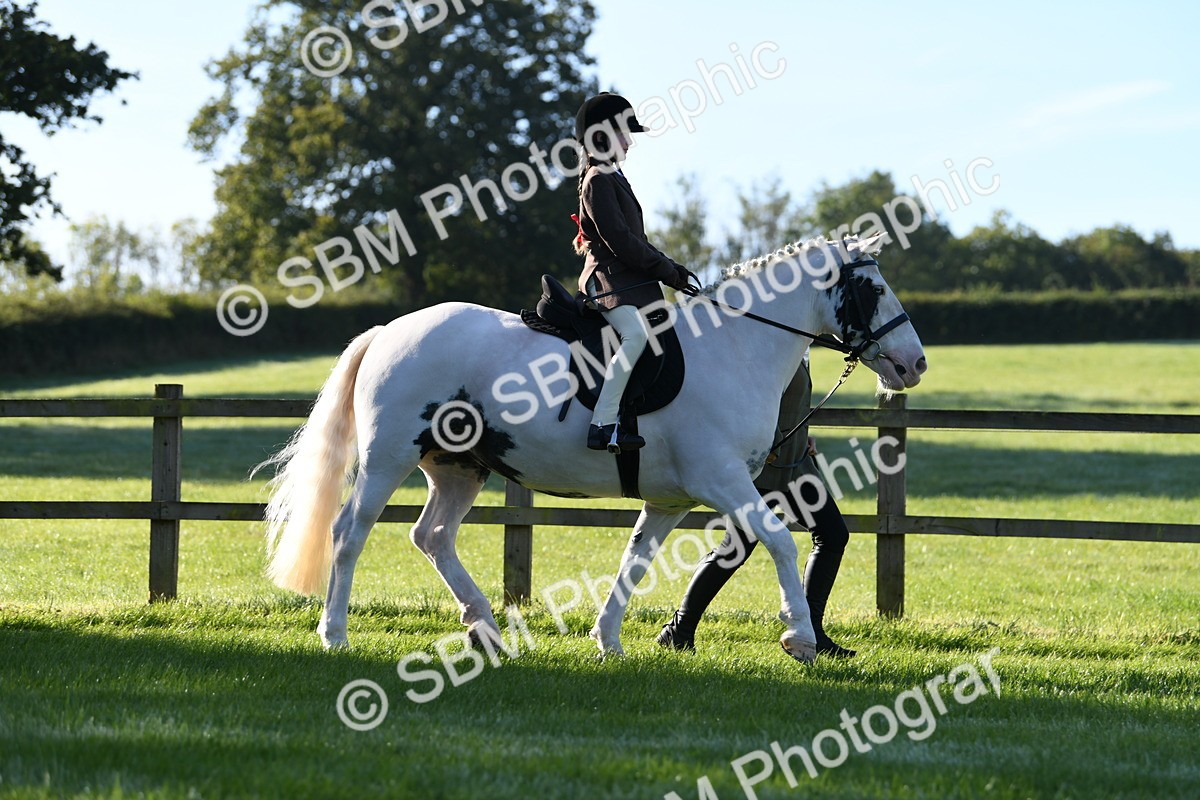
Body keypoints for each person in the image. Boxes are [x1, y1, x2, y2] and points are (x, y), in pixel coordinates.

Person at [656, 354, 857, 658]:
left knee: (831, 535)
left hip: (795, 462)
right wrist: (771, 440)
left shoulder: (799, 344)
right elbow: (748, 395)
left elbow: (786, 400)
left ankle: (811, 632)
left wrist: (803, 434)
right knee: (736, 547)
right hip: (767, 462)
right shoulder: (768, 338)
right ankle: (678, 630)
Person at [572, 92, 692, 453]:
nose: (630, 142)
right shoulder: (597, 178)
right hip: (606, 281)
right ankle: (602, 424)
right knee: (636, 336)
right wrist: (666, 271)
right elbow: (621, 241)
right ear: (603, 136)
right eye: (625, 133)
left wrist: (673, 268)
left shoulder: (612, 175)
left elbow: (636, 239)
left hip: (626, 281)